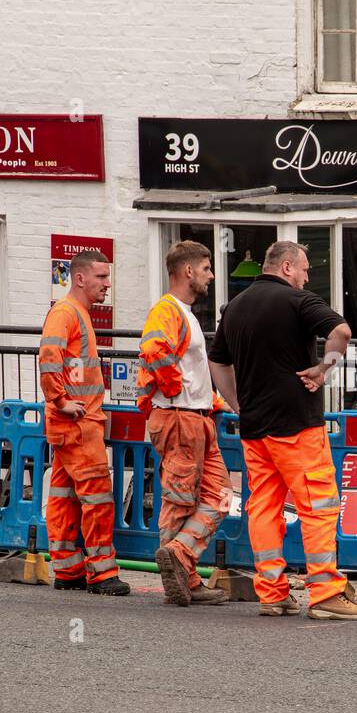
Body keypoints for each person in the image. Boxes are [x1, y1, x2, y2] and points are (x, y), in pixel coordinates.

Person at [208, 240, 357, 621]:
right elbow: (342, 331)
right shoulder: (299, 302)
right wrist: (324, 367)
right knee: (318, 505)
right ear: (286, 268)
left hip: (255, 427)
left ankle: (273, 593)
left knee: (263, 506)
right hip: (296, 424)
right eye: (303, 270)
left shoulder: (234, 308)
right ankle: (326, 594)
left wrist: (237, 404)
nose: (305, 277)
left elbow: (218, 363)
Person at [135, 240, 231, 607]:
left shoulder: (183, 313)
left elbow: (185, 369)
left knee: (219, 496)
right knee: (179, 501)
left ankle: (180, 556)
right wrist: (177, 390)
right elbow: (154, 351)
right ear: (188, 271)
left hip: (194, 417)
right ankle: (183, 576)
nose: (210, 275)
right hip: (181, 418)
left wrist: (211, 401)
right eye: (206, 268)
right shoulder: (167, 310)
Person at [38, 249, 129, 595]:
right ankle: (102, 573)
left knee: (63, 495)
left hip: (71, 424)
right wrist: (61, 400)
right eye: (101, 277)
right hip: (78, 423)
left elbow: (60, 361)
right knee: (97, 496)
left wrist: (61, 402)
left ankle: (68, 568)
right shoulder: (67, 313)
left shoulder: (73, 313)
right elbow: (49, 357)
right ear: (79, 278)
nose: (107, 284)